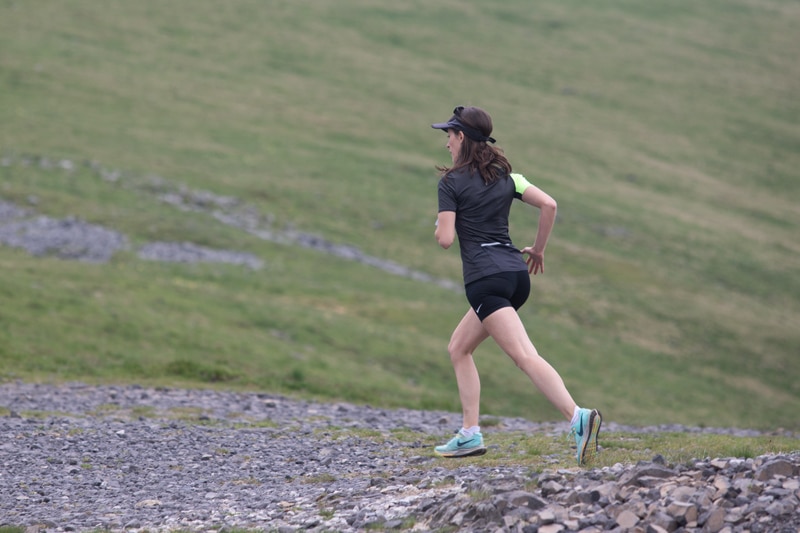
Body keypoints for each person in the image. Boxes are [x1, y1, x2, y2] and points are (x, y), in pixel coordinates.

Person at [430, 105, 601, 465]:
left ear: (462, 137)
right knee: (459, 347)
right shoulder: (508, 177)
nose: (446, 142)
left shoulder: (450, 184)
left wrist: (440, 224)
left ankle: (578, 418)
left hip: (485, 281)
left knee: (524, 356)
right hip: (516, 277)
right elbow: (549, 205)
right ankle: (469, 433)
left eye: (449, 134)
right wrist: (538, 250)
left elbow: (445, 239)